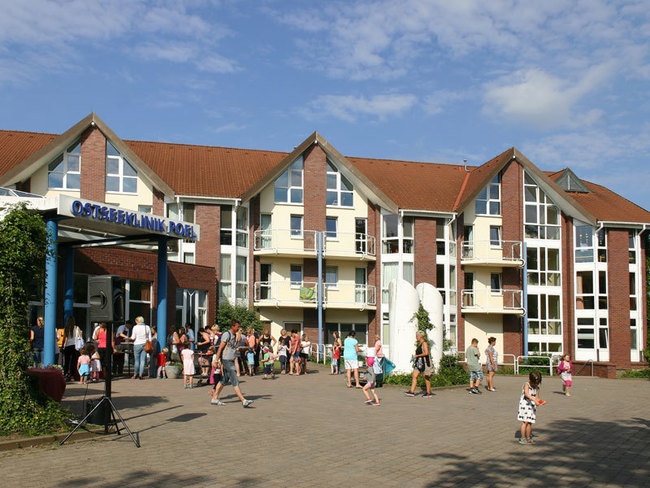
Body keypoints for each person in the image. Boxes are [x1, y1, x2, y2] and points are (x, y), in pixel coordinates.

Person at [210, 320, 254, 408]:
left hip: (231, 360)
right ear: (233, 326)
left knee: (224, 380)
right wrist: (216, 360)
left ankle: (214, 398)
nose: (238, 328)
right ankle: (243, 400)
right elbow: (220, 348)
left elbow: (234, 348)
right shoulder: (227, 334)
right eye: (237, 326)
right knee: (235, 380)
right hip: (226, 360)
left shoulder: (235, 336)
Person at [405, 330, 434, 398]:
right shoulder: (420, 344)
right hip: (418, 363)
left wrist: (417, 356)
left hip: (424, 363)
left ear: (420, 336)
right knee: (414, 376)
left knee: (426, 377)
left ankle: (428, 392)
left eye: (417, 336)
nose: (416, 337)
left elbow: (426, 353)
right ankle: (412, 392)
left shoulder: (424, 343)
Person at [517, 371, 544, 444]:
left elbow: (537, 398)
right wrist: (534, 399)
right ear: (530, 380)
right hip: (524, 405)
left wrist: (540, 402)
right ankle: (522, 438)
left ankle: (528, 437)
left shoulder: (537, 388)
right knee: (525, 422)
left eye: (537, 383)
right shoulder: (527, 385)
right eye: (534, 383)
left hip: (532, 406)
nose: (535, 385)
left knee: (530, 422)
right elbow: (527, 394)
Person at [62, 316, 83, 381]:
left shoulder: (66, 328)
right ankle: (72, 375)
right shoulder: (76, 328)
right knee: (73, 361)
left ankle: (66, 374)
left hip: (68, 346)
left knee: (67, 361)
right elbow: (80, 336)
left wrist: (63, 346)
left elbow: (64, 338)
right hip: (75, 346)